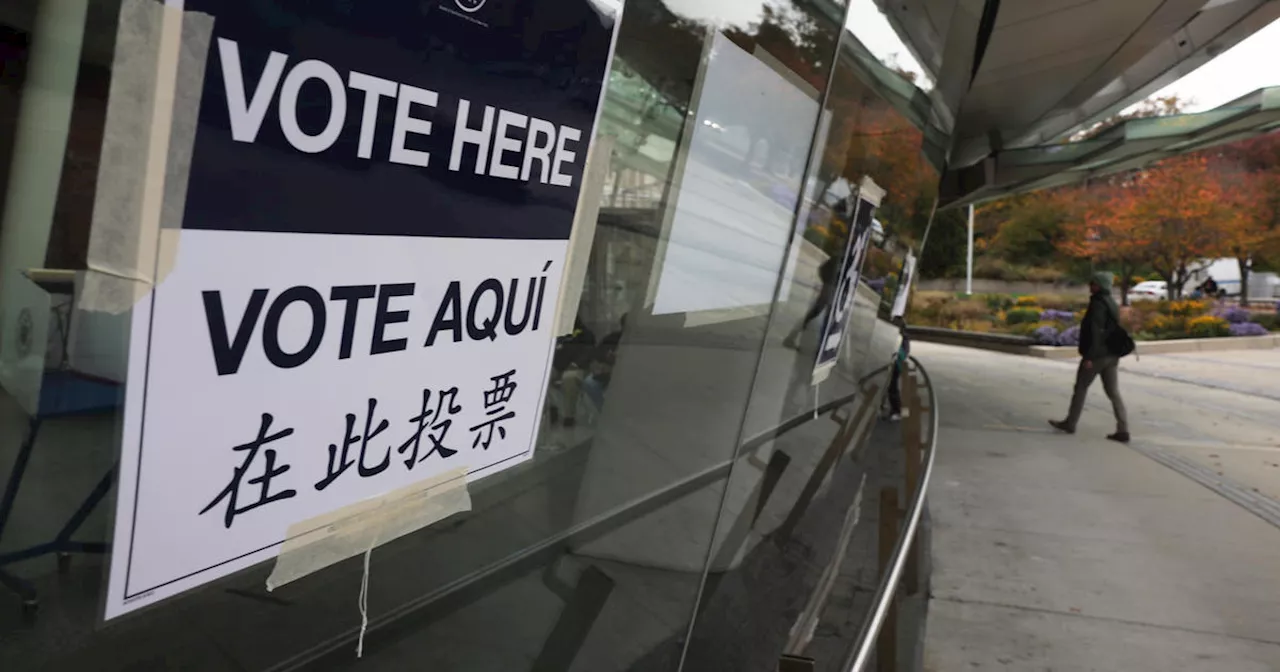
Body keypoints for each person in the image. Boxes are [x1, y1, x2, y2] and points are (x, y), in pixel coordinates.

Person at [1050, 271, 1129, 442]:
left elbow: (1095, 333)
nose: (1089, 286)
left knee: (1080, 388)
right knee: (1113, 392)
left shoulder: (1098, 305)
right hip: (1112, 354)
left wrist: (1089, 357)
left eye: (1092, 283)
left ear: (1099, 285)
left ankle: (1071, 423)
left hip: (1097, 355)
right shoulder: (1112, 303)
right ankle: (1123, 428)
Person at [885, 316, 910, 421]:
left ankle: (898, 411)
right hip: (896, 365)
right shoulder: (904, 338)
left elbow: (902, 353)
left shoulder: (902, 339)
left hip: (897, 366)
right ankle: (897, 409)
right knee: (891, 388)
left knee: (893, 388)